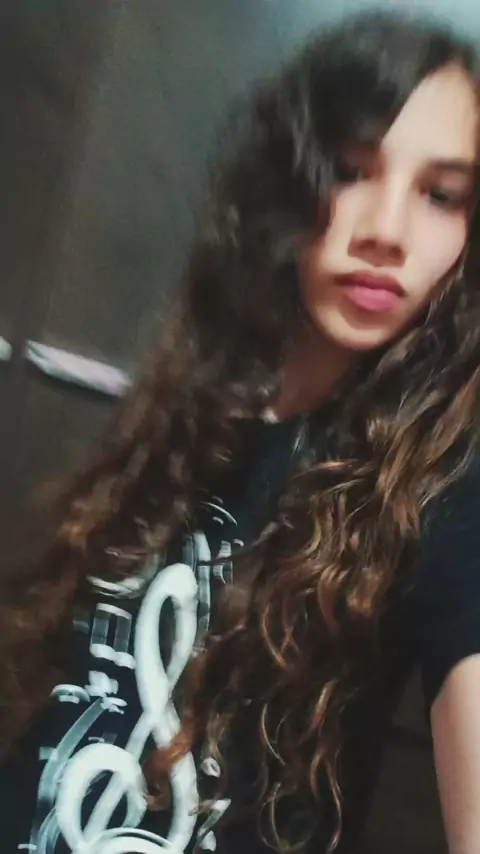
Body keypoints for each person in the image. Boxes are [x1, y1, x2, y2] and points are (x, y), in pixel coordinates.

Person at [1, 8, 480, 854]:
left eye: (441, 195)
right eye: (349, 171)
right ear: (286, 183)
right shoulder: (187, 415)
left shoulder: (444, 492)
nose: (386, 231)